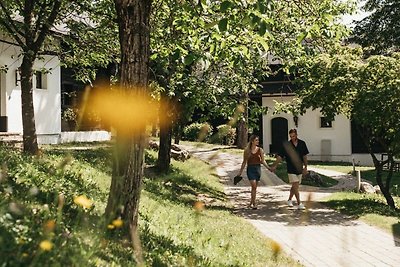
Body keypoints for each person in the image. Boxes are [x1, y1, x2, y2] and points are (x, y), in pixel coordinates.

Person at [270, 128, 309, 210]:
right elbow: (280, 157)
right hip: (291, 168)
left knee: (295, 186)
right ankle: (299, 203)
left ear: (296, 135)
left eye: (294, 136)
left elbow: (304, 156)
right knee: (295, 185)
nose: (292, 138)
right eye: (291, 136)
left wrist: (305, 167)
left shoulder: (302, 143)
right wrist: (275, 165)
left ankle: (289, 199)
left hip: (299, 168)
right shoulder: (287, 145)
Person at [237, 134, 271, 209]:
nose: (258, 141)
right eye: (256, 140)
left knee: (254, 188)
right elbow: (244, 162)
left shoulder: (260, 150)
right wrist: (240, 172)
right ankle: (254, 203)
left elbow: (263, 160)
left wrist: (269, 168)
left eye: (258, 140)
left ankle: (251, 203)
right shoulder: (247, 151)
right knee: (253, 185)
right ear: (252, 141)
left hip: (257, 169)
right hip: (250, 169)